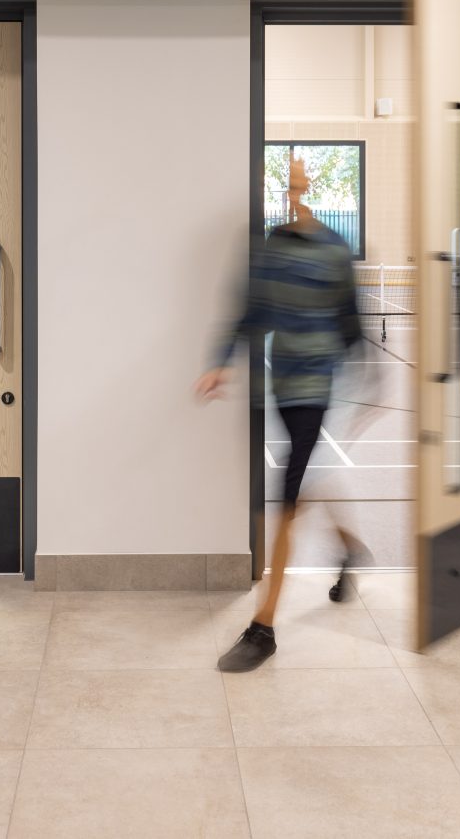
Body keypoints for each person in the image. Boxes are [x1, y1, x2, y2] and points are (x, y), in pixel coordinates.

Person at [198, 156, 361, 672]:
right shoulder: (272, 246)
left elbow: (351, 324)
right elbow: (252, 312)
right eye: (287, 184)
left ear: (310, 186)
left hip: (316, 386)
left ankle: (263, 627)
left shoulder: (334, 249)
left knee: (287, 495)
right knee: (307, 480)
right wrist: (221, 362)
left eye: (299, 182)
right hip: (282, 384)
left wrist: (362, 385)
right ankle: (350, 549)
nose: (293, 191)